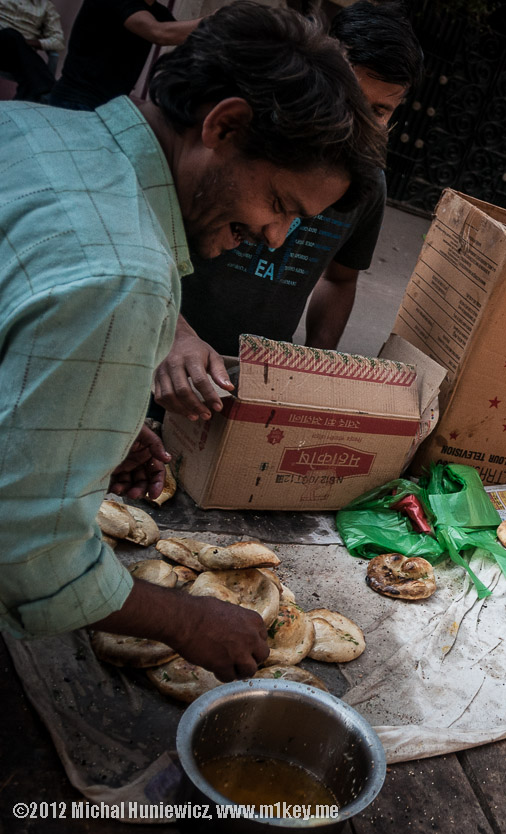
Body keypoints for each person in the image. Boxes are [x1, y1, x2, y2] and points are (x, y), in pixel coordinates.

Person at [0, 2, 385, 681]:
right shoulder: (127, 277)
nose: (274, 238)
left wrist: (84, 430)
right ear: (225, 125)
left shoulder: (31, 125)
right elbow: (25, 555)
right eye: (283, 206)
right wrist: (186, 619)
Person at [152, 0, 422, 422]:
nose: (353, 128)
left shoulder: (365, 187)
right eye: (347, 99)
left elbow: (340, 279)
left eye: (378, 112)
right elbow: (137, 255)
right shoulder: (229, 158)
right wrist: (171, 333)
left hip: (245, 384)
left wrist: (312, 370)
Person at [0, 0, 63, 101]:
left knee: (13, 37)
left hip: (18, 59)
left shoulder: (46, 7)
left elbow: (58, 41)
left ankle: (24, 102)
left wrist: (24, 42)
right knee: (9, 34)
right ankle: (47, 90)